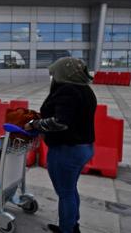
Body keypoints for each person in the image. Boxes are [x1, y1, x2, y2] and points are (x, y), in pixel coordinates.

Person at [24, 57, 96, 233]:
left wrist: (34, 124)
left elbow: (60, 122)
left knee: (65, 193)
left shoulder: (67, 91)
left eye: (54, 73)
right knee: (70, 190)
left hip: (67, 149)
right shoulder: (85, 89)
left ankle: (67, 229)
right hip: (83, 147)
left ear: (64, 73)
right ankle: (72, 225)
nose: (52, 77)